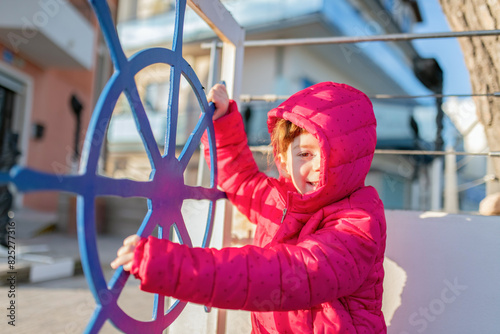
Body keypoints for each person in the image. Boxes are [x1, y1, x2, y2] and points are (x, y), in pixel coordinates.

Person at [111, 82, 387, 333]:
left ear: (355, 160)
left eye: (334, 155)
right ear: (282, 156)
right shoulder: (280, 200)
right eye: (305, 153)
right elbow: (240, 180)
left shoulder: (358, 222)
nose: (318, 165)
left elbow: (283, 275)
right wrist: (221, 123)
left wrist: (171, 265)